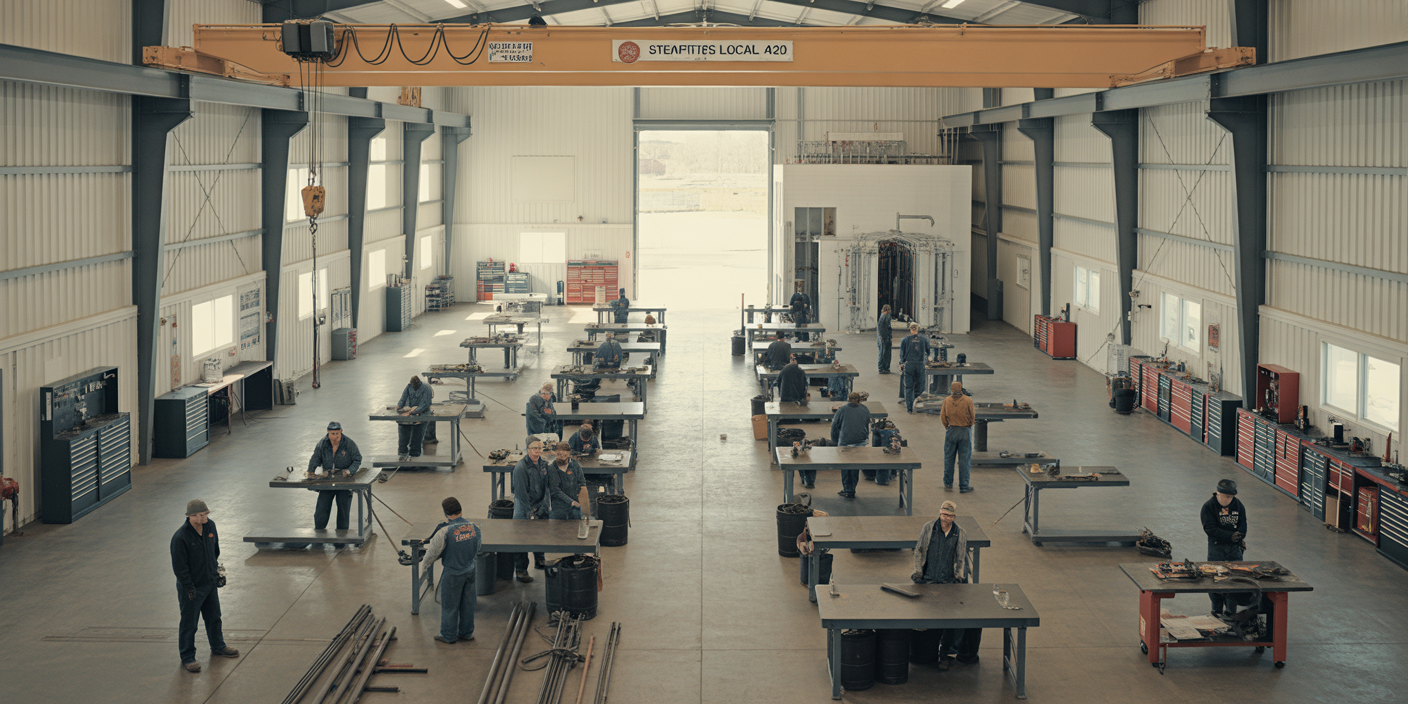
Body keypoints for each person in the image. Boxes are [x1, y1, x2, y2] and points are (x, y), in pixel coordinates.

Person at [171, 499, 239, 672]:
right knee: (190, 623)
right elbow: (180, 567)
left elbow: (215, 551)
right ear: (191, 516)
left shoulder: (210, 526)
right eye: (202, 515)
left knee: (214, 617)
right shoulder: (180, 537)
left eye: (207, 514)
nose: (205, 518)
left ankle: (218, 646)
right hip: (192, 588)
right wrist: (189, 587)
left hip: (209, 583)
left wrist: (215, 574)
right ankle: (187, 657)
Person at [911, 501, 976, 669]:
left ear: (954, 517)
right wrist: (918, 572)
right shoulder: (929, 528)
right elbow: (919, 550)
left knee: (948, 621)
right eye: (943, 514)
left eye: (949, 516)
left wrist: (958, 578)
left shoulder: (959, 533)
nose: (945, 518)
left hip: (947, 582)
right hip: (928, 580)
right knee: (924, 616)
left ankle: (945, 653)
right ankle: (923, 651)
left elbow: (960, 557)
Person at [421, 497, 482, 644]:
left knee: (450, 605)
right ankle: (466, 633)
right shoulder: (475, 527)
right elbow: (478, 548)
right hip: (470, 570)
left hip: (453, 573)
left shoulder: (444, 531)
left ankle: (448, 635)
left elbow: (432, 553)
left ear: (446, 513)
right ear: (460, 510)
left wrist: (425, 567)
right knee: (468, 604)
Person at [1202, 479, 1248, 616]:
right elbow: (1210, 529)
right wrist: (1229, 536)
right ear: (1218, 494)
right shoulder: (1208, 507)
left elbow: (1243, 525)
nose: (1229, 499)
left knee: (1234, 580)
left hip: (1235, 549)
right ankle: (1216, 610)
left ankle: (1230, 613)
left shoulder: (1238, 505)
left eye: (1231, 497)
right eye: (1226, 496)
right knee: (1214, 579)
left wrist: (1239, 537)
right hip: (1216, 548)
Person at [308, 421, 362, 529]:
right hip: (327, 481)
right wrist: (310, 471)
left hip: (344, 482)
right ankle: (319, 532)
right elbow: (315, 458)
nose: (335, 437)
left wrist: (349, 471)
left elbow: (357, 459)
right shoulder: (322, 443)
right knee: (321, 509)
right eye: (332, 434)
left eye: (337, 433)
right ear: (328, 432)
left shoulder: (349, 443)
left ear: (341, 431)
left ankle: (342, 536)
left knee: (343, 510)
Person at [511, 440, 552, 580]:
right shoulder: (520, 468)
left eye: (539, 448)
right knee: (522, 538)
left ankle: (540, 559)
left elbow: (547, 486)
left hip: (540, 505)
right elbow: (521, 494)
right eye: (534, 448)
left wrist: (544, 506)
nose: (537, 451)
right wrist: (530, 511)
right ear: (527, 449)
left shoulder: (543, 464)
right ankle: (521, 570)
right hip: (524, 507)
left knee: (540, 533)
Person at [830, 391, 872, 498]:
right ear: (860, 399)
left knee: (845, 466)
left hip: (846, 441)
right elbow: (867, 424)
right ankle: (852, 488)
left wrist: (835, 440)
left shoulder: (842, 409)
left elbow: (834, 426)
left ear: (848, 399)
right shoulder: (865, 409)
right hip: (861, 441)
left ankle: (847, 489)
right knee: (855, 466)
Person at [939, 381, 975, 493]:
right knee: (964, 459)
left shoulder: (947, 400)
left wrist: (948, 426)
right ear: (961, 388)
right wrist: (968, 425)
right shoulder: (968, 400)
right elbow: (972, 416)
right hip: (964, 431)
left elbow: (942, 416)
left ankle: (948, 482)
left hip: (951, 430)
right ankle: (964, 485)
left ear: (951, 389)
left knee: (949, 458)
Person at [397, 375, 433, 462]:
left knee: (417, 434)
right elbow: (403, 398)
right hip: (410, 411)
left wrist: (412, 411)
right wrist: (399, 406)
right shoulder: (409, 386)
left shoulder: (426, 388)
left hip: (422, 413)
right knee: (403, 429)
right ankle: (402, 453)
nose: (415, 387)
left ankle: (415, 455)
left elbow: (425, 404)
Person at [548, 442, 585, 520]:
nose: (562, 457)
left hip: (575, 506)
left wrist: (582, 498)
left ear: (569, 452)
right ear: (555, 453)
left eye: (565, 454)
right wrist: (570, 501)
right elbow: (555, 490)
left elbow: (582, 482)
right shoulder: (552, 469)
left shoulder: (575, 465)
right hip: (559, 507)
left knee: (576, 525)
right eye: (559, 454)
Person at [899, 323, 930, 412]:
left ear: (910, 329)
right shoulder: (924, 339)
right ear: (917, 329)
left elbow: (902, 353)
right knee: (919, 387)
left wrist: (901, 363)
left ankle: (909, 408)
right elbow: (928, 352)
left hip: (909, 365)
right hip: (920, 364)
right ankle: (918, 406)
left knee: (908, 387)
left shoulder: (905, 340)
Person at [876, 304, 893, 374]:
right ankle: (882, 368)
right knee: (884, 353)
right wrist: (884, 337)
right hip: (884, 338)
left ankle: (883, 367)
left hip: (882, 337)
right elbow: (882, 328)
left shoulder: (882, 316)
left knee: (884, 353)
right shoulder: (886, 316)